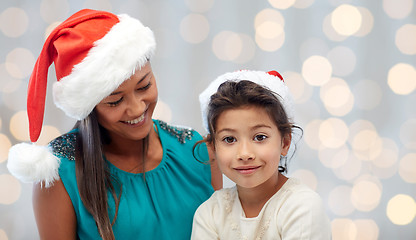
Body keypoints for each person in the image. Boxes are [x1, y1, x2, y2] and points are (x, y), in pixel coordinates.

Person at [7, 9, 222, 240]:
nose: (137, 108)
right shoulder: (58, 176)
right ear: (89, 107)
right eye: (115, 101)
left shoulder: (198, 151)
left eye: (144, 86)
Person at [191, 70, 331, 239]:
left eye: (259, 137)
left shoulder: (302, 207)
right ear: (213, 147)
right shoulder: (211, 213)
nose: (244, 154)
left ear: (285, 142)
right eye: (229, 139)